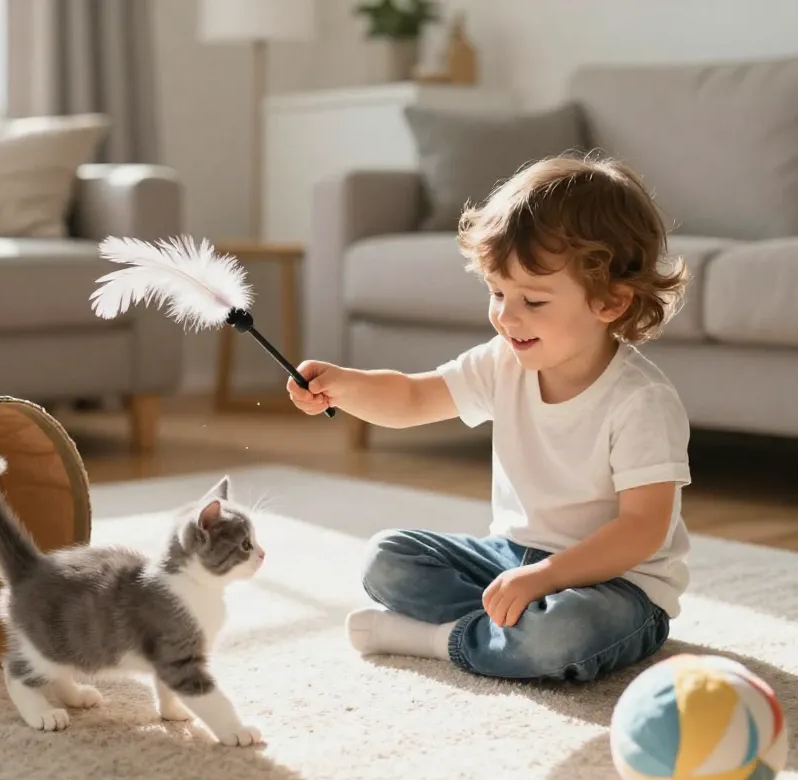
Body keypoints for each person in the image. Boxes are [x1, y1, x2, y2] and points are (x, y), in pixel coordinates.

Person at [287, 153, 692, 683]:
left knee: (560, 635)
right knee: (386, 558)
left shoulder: (641, 401)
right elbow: (414, 399)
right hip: (512, 556)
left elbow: (641, 531)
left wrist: (545, 578)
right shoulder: (503, 362)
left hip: (618, 583)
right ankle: (498, 634)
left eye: (534, 301)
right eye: (498, 292)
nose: (506, 315)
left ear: (611, 302)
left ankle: (437, 640)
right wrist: (346, 385)